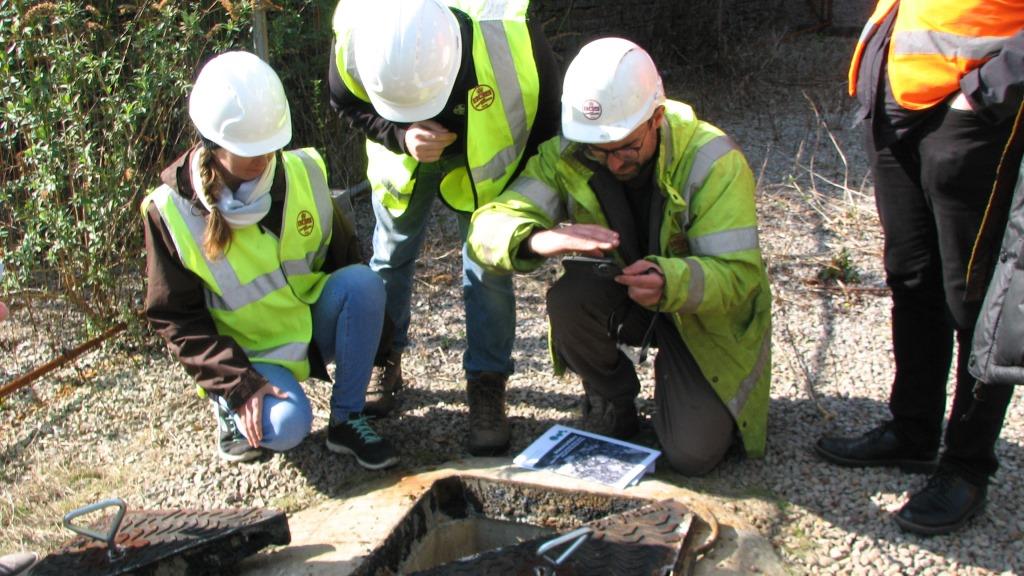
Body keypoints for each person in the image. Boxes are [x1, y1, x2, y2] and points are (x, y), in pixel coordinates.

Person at [467, 38, 773, 475]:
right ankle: (613, 398)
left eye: (626, 147)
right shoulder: (567, 155)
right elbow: (487, 225)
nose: (613, 163)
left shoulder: (713, 161)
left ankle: (686, 383)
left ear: (657, 118)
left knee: (692, 455)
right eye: (599, 150)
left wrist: (671, 283)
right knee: (568, 298)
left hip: (702, 318)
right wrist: (536, 238)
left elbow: (740, 278)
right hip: (626, 296)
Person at [814, 0, 1024, 535]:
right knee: (910, 279)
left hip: (974, 112)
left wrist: (988, 91)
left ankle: (967, 467)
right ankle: (913, 431)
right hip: (896, 101)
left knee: (974, 303)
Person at [143, 51, 398, 470]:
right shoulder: (168, 211)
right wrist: (238, 384)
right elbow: (177, 320)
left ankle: (347, 421)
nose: (265, 160)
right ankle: (229, 409)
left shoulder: (302, 172)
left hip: (305, 323)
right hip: (246, 355)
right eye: (250, 150)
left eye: (270, 146)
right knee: (288, 426)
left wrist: (377, 343)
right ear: (212, 143)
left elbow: (345, 264)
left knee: (364, 283)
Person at [328, 0, 561, 455]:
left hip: (488, 160)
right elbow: (343, 98)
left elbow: (546, 123)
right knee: (390, 258)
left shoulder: (509, 34)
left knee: (487, 268)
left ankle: (487, 383)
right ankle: (382, 358)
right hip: (403, 161)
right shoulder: (359, 27)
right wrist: (398, 133)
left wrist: (524, 206)